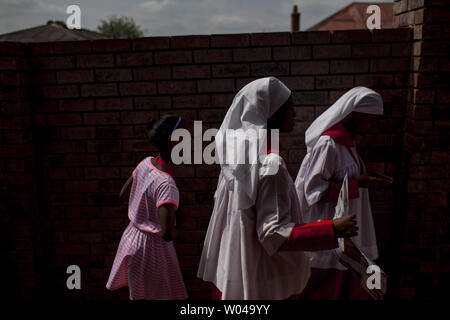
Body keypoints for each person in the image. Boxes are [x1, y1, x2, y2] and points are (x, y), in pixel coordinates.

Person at [197, 77, 358, 300]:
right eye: (289, 107)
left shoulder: (235, 159)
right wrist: (332, 229)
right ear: (272, 113)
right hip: (259, 281)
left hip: (231, 272)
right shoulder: (269, 164)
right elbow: (273, 234)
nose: (295, 113)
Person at [294, 86, 393, 300]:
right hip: (330, 234)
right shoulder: (328, 144)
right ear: (354, 114)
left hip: (346, 234)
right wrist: (359, 183)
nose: (372, 125)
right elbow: (314, 191)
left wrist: (365, 179)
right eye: (370, 119)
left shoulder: (347, 145)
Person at [106, 115, 188, 300]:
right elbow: (167, 234)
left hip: (132, 240)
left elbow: (123, 194)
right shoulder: (166, 184)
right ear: (172, 142)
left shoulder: (145, 163)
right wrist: (180, 232)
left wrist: (143, 211)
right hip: (151, 251)